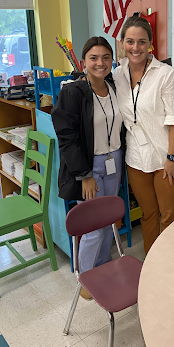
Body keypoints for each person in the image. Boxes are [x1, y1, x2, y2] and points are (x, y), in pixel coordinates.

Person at [51, 37, 124, 299]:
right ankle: (86, 277)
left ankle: (102, 265)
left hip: (114, 160)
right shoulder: (73, 92)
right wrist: (84, 175)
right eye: (94, 58)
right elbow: (67, 137)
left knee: (108, 219)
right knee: (94, 223)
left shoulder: (114, 87)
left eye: (106, 57)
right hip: (90, 165)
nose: (100, 63)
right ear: (83, 62)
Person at [113, 15, 174, 254]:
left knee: (168, 217)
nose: (135, 48)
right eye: (130, 41)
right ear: (122, 43)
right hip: (137, 158)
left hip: (169, 156)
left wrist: (171, 158)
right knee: (148, 215)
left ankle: (169, 268)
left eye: (141, 42)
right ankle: (152, 266)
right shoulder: (117, 74)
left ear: (150, 44)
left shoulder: (166, 74)